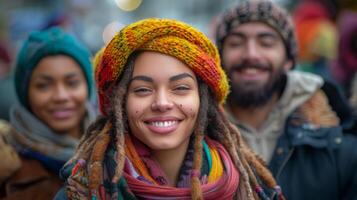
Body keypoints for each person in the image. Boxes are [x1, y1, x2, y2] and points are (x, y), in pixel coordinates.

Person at [55, 18, 285, 200]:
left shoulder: (252, 189)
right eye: (143, 90)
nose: (162, 102)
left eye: (181, 88)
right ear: (119, 103)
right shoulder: (81, 192)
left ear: (203, 100)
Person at [215, 1, 357, 200]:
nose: (251, 54)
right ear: (219, 58)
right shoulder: (195, 141)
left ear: (289, 59)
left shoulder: (340, 147)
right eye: (236, 43)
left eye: (266, 43)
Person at [0, 27, 96, 200]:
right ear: (25, 94)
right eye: (44, 85)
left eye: (72, 83)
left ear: (87, 87)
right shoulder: (6, 166)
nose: (61, 96)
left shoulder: (119, 153)